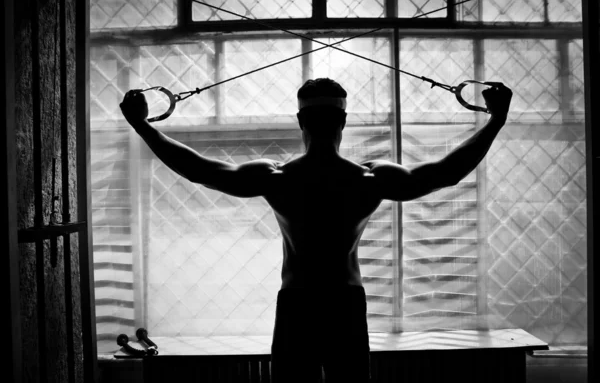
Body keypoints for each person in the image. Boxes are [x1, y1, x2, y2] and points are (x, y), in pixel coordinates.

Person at [120, 77, 512, 383]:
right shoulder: (368, 179)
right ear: (343, 120)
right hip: (344, 302)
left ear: (300, 120)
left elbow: (199, 170)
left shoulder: (277, 178)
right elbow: (446, 173)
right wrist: (496, 120)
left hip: (299, 302)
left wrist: (142, 125)